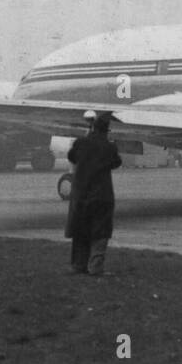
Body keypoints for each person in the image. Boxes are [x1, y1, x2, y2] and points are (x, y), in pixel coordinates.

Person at [65, 111, 122, 276]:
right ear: (106, 130)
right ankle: (95, 267)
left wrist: (85, 137)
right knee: (100, 232)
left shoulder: (81, 143)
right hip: (102, 195)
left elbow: (72, 157)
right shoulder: (109, 146)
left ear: (92, 128)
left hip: (81, 194)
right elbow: (116, 162)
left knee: (81, 230)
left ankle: (78, 265)